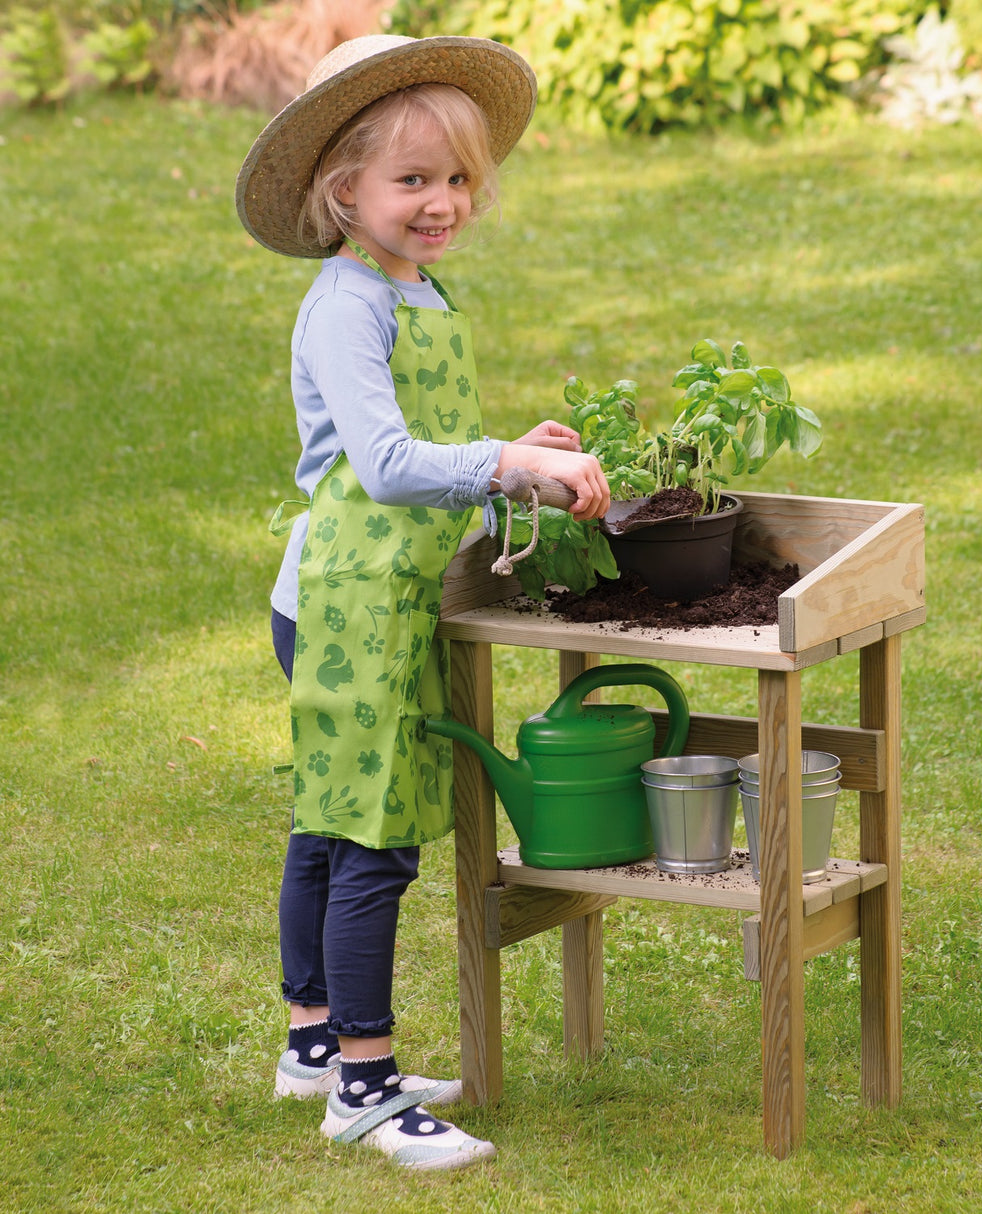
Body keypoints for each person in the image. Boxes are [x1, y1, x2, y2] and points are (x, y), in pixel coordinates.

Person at [234, 34, 610, 1172]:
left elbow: (424, 444)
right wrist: (499, 461)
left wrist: (512, 448)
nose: (440, 201)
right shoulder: (347, 303)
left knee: (326, 823)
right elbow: (391, 465)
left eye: (455, 178)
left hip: (378, 593)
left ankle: (310, 1040)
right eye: (411, 181)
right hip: (348, 599)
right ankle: (362, 1084)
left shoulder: (415, 285)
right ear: (340, 188)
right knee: (372, 842)